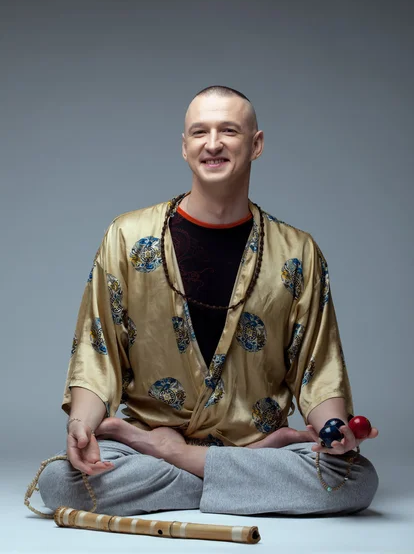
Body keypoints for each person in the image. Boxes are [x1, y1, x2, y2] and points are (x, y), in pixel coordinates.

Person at [38, 85, 379, 517]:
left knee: (351, 480)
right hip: (158, 445)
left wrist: (333, 432)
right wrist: (80, 426)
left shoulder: (298, 252)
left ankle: (183, 462)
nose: (213, 143)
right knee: (60, 484)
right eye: (200, 132)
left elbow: (318, 368)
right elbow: (97, 349)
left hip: (248, 445)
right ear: (184, 147)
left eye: (229, 131)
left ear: (255, 144)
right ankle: (232, 483)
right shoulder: (127, 237)